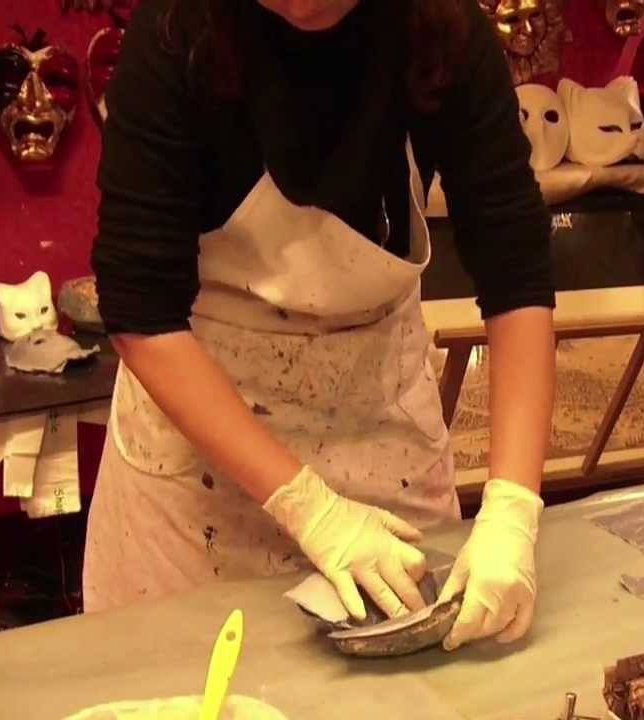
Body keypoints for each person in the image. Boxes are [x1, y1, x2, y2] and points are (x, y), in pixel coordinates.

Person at [84, 0, 556, 652]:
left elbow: (518, 280)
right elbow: (140, 312)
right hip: (199, 482)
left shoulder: (443, 32)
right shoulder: (176, 33)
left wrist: (512, 511)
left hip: (381, 441)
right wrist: (312, 511)